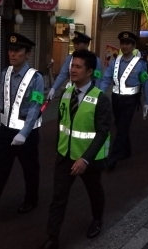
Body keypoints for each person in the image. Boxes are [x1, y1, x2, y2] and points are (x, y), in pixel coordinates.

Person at [41, 49, 112, 249]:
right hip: (65, 156)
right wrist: (58, 148)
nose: (72, 70)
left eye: (78, 67)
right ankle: (52, 238)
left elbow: (102, 132)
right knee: (58, 198)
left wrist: (86, 159)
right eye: (72, 65)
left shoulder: (100, 99)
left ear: (90, 71)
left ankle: (97, 219)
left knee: (94, 191)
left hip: (88, 159)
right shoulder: (66, 93)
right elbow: (62, 124)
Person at [0, 33, 44, 223]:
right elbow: (3, 103)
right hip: (5, 132)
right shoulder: (5, 73)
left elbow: (35, 108)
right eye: (11, 50)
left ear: (27, 54)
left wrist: (23, 133)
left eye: (18, 50)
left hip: (26, 135)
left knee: (30, 169)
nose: (13, 54)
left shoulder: (36, 78)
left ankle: (31, 199)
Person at [99, 31, 148, 170]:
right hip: (116, 99)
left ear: (134, 45)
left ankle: (112, 159)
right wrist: (99, 94)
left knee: (121, 129)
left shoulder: (140, 64)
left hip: (131, 101)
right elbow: (106, 79)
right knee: (120, 125)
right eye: (122, 43)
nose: (124, 46)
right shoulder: (115, 62)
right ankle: (127, 151)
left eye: (128, 43)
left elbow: (146, 83)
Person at [47, 31, 102, 100]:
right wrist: (54, 88)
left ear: (87, 44)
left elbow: (97, 79)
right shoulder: (70, 58)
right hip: (71, 91)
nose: (75, 46)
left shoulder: (95, 60)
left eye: (78, 43)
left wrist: (96, 95)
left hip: (88, 93)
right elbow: (63, 74)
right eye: (74, 43)